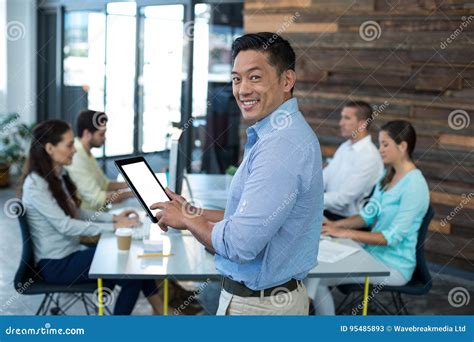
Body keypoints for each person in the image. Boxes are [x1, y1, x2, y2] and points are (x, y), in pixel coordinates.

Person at [149, 32, 324, 315]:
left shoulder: (280, 146)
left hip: (259, 307)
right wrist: (192, 212)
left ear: (287, 81)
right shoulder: (279, 133)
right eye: (236, 78)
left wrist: (188, 221)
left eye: (255, 77)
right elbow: (248, 218)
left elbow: (239, 244)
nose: (242, 90)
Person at [19, 120, 165, 315]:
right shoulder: (36, 185)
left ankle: (161, 310)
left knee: (133, 263)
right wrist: (114, 227)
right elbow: (66, 226)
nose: (74, 150)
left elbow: (77, 213)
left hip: (70, 254)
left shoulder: (56, 175)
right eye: (69, 145)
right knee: (132, 271)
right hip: (56, 265)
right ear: (50, 148)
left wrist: (113, 219)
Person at [305, 120, 430, 315]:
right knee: (314, 270)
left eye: (385, 144)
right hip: (371, 255)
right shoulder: (387, 178)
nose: (380, 150)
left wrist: (344, 232)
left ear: (402, 146)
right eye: (379, 144)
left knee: (316, 277)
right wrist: (333, 225)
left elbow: (390, 237)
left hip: (394, 266)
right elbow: (366, 217)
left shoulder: (415, 185)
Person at [323, 101, 383, 220]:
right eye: (342, 117)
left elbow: (343, 199)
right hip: (325, 213)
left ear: (362, 124)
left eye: (347, 118)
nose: (341, 123)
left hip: (346, 223)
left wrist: (308, 198)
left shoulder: (369, 156)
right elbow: (324, 178)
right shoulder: (344, 147)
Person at [65, 110, 133, 211]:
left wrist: (130, 184)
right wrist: (133, 193)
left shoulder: (86, 151)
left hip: (102, 212)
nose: (104, 138)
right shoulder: (76, 156)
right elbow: (99, 199)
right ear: (87, 133)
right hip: (92, 218)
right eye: (101, 134)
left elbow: (105, 184)